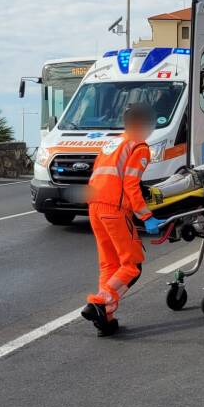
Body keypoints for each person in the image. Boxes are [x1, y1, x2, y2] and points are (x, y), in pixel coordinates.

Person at [81, 103, 163, 336]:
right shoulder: (139, 146)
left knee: (109, 264)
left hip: (95, 206)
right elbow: (130, 184)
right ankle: (99, 302)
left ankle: (106, 319)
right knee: (132, 266)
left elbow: (103, 174)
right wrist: (146, 216)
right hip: (114, 209)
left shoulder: (112, 142)